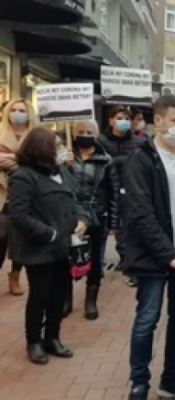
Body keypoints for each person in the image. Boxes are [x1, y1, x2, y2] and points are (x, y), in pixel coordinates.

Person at [124, 96, 175, 400]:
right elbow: (140, 214)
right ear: (158, 121)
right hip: (154, 256)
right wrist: (169, 255)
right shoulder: (141, 159)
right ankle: (139, 383)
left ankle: (171, 379)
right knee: (147, 319)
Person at [8, 126, 89, 365]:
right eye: (57, 145)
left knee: (59, 295)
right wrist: (49, 234)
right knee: (40, 295)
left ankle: (52, 337)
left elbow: (76, 200)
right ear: (42, 148)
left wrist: (82, 219)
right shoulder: (23, 177)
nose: (62, 149)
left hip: (63, 246)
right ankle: (34, 341)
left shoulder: (62, 172)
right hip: (39, 248)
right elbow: (19, 215)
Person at [63, 120, 118, 320]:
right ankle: (66, 299)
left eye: (89, 131)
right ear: (73, 133)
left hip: (97, 215)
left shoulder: (106, 159)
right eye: (80, 131)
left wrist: (113, 222)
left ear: (96, 135)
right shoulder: (64, 156)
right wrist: (62, 165)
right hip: (68, 214)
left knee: (95, 260)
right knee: (65, 258)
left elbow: (113, 192)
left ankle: (91, 300)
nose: (84, 135)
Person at [98, 105, 145, 285]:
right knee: (109, 228)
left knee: (128, 229)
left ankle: (129, 264)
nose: (123, 121)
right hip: (108, 190)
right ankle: (97, 267)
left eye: (126, 118)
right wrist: (122, 161)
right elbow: (101, 163)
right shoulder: (101, 141)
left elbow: (140, 162)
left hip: (131, 188)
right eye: (119, 118)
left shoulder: (139, 141)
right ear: (111, 120)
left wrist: (117, 161)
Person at [0, 99, 34, 295]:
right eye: (13, 110)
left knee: (21, 238)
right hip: (3, 193)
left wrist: (10, 159)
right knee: (2, 234)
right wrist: (20, 159)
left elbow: (40, 158)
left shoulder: (35, 134)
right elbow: (27, 159)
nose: (17, 113)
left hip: (26, 194)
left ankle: (15, 276)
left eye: (22, 110)